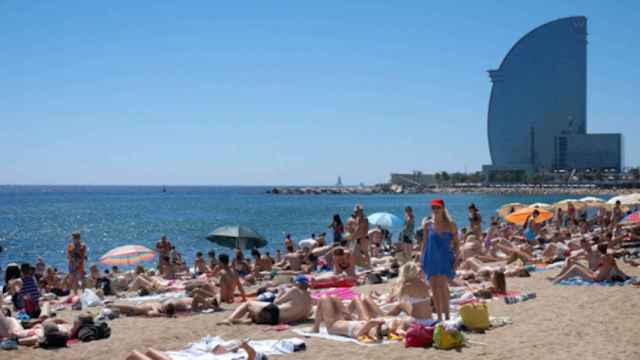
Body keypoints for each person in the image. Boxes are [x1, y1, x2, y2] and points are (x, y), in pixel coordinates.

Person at [420, 199, 459, 321]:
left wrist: (457, 259)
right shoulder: (428, 224)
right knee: (434, 288)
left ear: (443, 208)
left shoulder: (450, 224)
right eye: (433, 208)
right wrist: (421, 259)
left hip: (445, 258)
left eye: (437, 207)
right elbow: (425, 243)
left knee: (442, 287)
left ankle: (447, 316)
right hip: (430, 258)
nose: (435, 210)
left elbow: (457, 243)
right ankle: (439, 317)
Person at [220, 275, 312, 325]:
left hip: (274, 313)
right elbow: (305, 316)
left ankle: (230, 319)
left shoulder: (295, 290)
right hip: (278, 321)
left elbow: (276, 302)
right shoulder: (309, 298)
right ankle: (247, 320)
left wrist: (280, 292)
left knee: (248, 304)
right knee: (253, 312)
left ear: (297, 283)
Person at [311, 295, 385, 340]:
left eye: (378, 328)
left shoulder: (360, 333)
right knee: (334, 297)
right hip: (344, 321)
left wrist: (376, 323)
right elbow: (372, 322)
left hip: (333, 326)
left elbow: (371, 322)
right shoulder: (369, 327)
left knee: (324, 298)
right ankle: (315, 328)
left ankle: (315, 328)